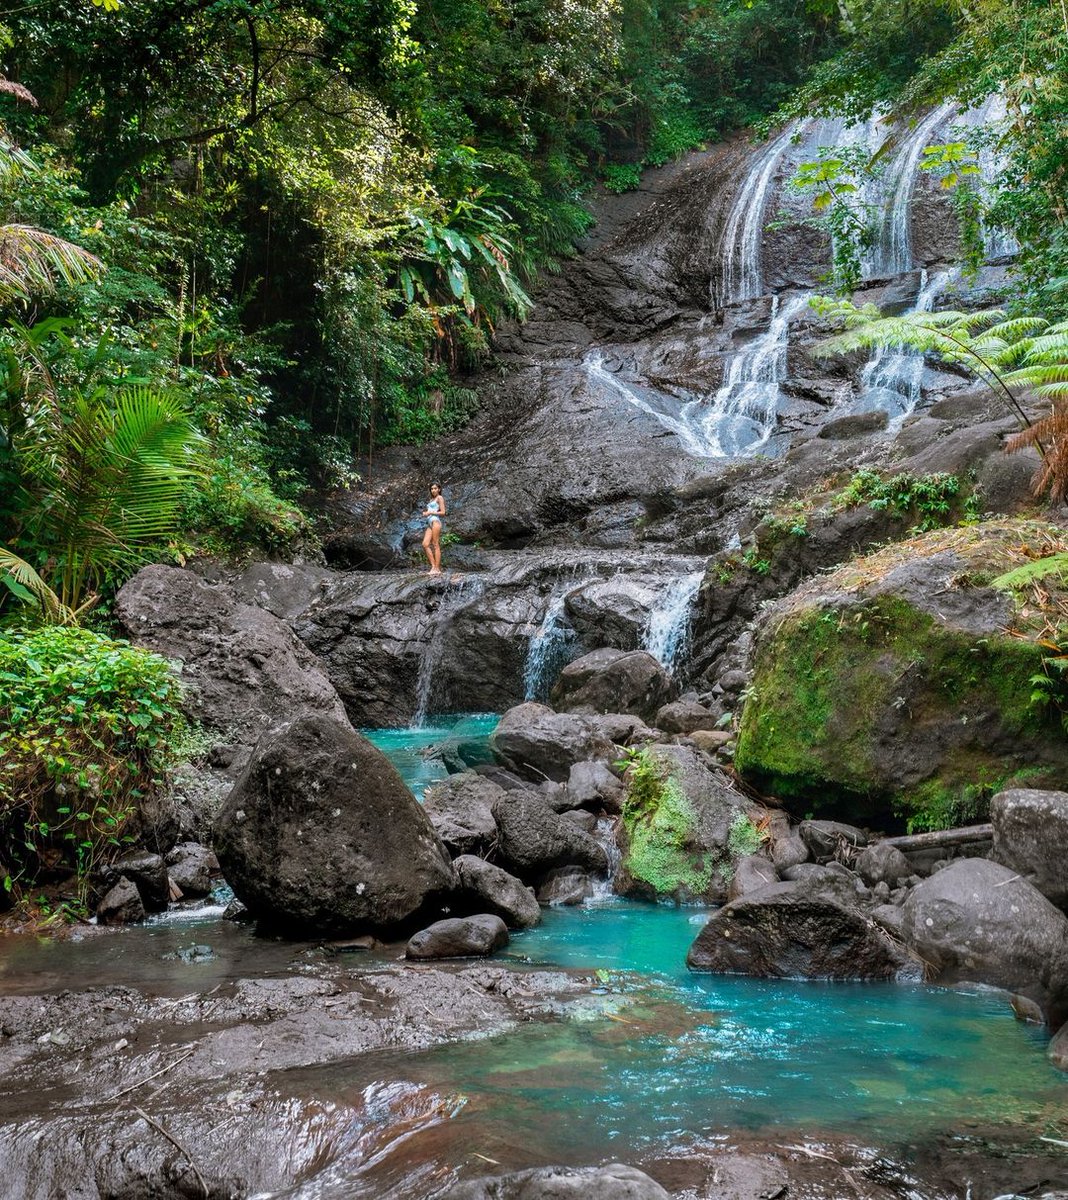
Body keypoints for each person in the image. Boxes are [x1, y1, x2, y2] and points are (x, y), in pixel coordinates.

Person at [421, 482, 446, 574]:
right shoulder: (431, 499)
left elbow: (443, 512)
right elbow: (430, 511)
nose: (433, 490)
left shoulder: (440, 498)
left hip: (436, 522)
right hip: (429, 523)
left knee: (435, 544)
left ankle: (437, 569)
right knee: (425, 544)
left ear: (439, 489)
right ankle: (433, 566)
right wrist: (426, 513)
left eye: (435, 488)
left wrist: (430, 513)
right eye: (432, 489)